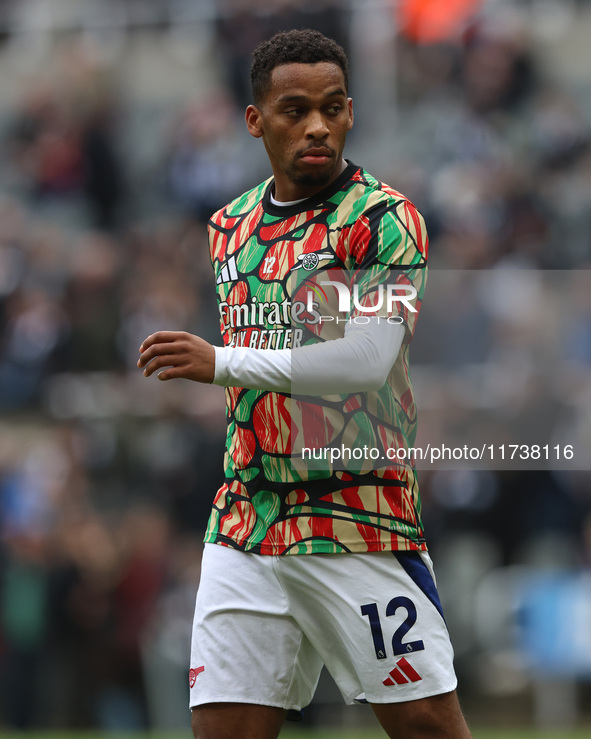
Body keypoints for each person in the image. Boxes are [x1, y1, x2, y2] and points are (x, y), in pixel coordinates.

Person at [137, 29, 472, 739]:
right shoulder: (228, 226)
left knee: (426, 728)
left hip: (354, 514)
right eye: (294, 110)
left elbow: (364, 361)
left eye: (331, 107)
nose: (316, 125)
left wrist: (220, 361)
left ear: (350, 111)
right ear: (256, 120)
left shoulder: (382, 219)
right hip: (246, 519)